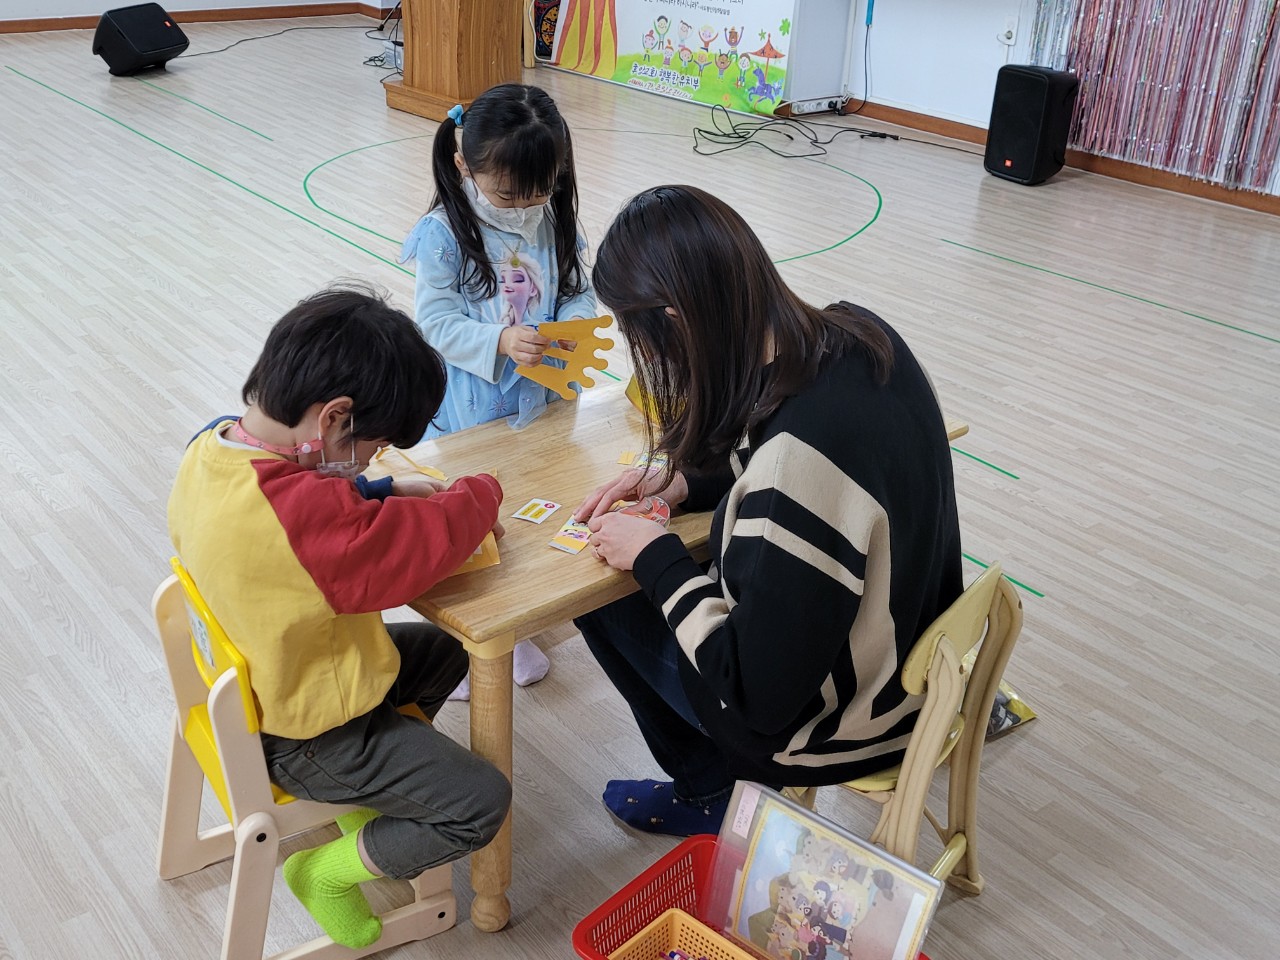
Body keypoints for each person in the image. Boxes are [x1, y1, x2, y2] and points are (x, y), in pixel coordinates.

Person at [571, 186, 963, 837]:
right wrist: (682, 481)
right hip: (915, 655)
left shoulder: (795, 465)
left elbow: (756, 699)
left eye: (639, 335)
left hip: (845, 723)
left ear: (676, 319)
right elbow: (786, 438)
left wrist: (655, 559)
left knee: (600, 597)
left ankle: (706, 791)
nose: (648, 354)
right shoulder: (856, 334)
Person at [168, 285, 511, 948]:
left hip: (255, 687)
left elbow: (301, 496)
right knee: (480, 801)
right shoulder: (305, 520)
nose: (371, 462)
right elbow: (415, 547)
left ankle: (373, 788)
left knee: (441, 653)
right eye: (373, 448)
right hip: (308, 733)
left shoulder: (212, 445)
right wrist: (483, 491)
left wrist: (375, 487)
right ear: (333, 419)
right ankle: (326, 873)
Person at [401, 82, 598, 698]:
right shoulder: (444, 232)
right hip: (475, 404)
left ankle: (516, 614)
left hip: (545, 395)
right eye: (509, 194)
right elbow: (434, 322)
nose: (527, 206)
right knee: (474, 512)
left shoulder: (552, 216)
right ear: (465, 164)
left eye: (542, 189)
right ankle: (472, 638)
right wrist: (501, 340)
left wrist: (572, 326)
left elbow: (578, 290)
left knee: (534, 498)